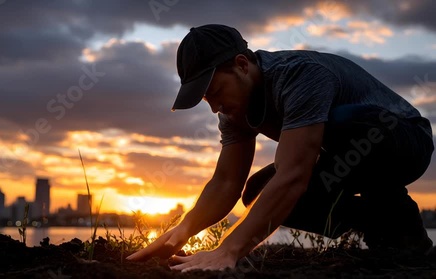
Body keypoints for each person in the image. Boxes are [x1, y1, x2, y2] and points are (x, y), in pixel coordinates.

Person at [127, 24, 434, 271]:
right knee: (256, 192)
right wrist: (181, 232)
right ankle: (387, 226)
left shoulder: (300, 75)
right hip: (342, 156)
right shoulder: (234, 111)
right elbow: (226, 182)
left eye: (216, 91)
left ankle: (393, 206)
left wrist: (229, 250)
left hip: (403, 140)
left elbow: (293, 175)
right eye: (208, 101)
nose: (215, 108)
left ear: (242, 65)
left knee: (342, 124)